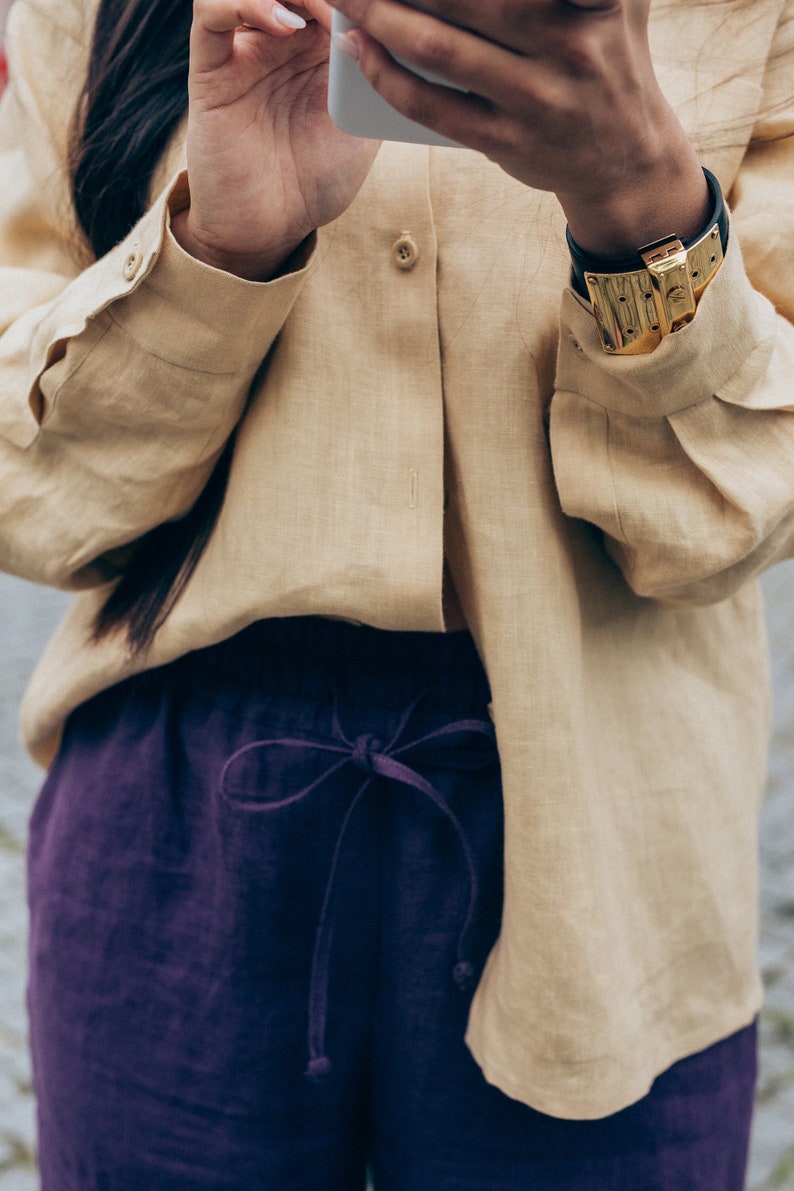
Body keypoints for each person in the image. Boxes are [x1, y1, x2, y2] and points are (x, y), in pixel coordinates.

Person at [1, 0, 792, 1185]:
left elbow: (731, 516)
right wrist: (217, 249)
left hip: (603, 801)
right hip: (178, 788)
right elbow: (33, 493)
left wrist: (638, 211)